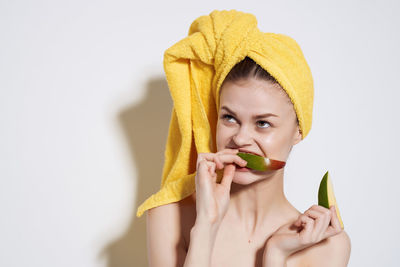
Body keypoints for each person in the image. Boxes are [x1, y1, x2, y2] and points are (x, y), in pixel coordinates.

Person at [144, 10, 351, 267]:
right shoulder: (169, 218)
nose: (240, 139)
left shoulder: (326, 245)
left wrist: (275, 255)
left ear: (299, 130)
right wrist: (206, 229)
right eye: (229, 118)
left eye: (263, 123)